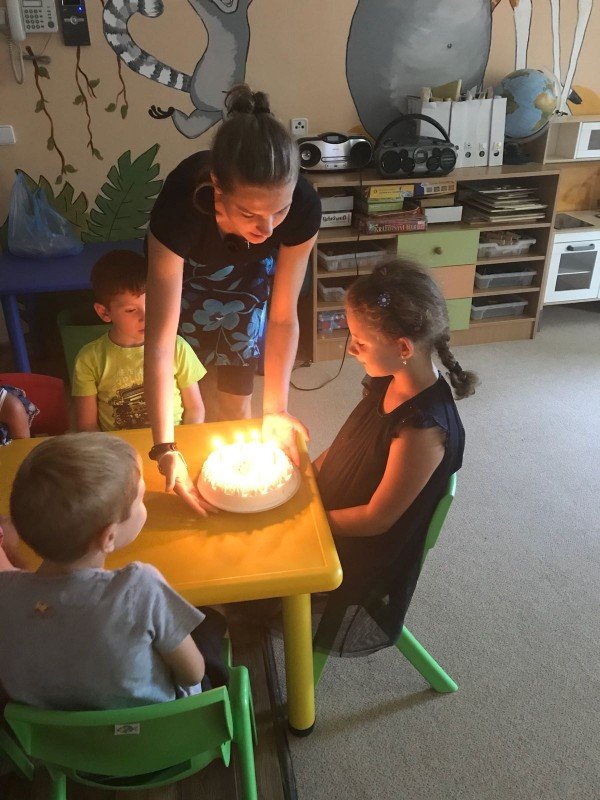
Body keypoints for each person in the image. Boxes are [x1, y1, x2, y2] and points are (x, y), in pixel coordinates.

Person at [145, 84, 320, 514]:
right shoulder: (180, 206)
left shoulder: (302, 208)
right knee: (188, 380)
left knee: (239, 374)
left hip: (247, 275)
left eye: (279, 211)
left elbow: (283, 318)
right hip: (188, 272)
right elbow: (160, 340)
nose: (268, 228)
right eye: (250, 213)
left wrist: (276, 409)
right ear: (217, 188)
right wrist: (164, 446)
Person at [312, 259, 478, 657]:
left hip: (360, 551)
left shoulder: (422, 429)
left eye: (360, 341)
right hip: (331, 511)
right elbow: (350, 442)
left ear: (403, 348)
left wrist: (308, 523)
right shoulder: (388, 378)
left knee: (252, 566)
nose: (351, 349)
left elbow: (376, 520)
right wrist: (304, 473)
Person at [0, 433, 228, 710]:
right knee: (210, 625)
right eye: (140, 499)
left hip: (51, 735)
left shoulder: (5, 592)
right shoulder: (140, 588)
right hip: (155, 728)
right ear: (108, 537)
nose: (144, 505)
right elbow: (193, 674)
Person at [72, 250, 206, 433]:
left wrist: (186, 439)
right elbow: (87, 426)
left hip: (173, 442)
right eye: (130, 310)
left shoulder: (177, 346)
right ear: (104, 312)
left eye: (151, 304)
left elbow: (195, 409)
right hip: (118, 447)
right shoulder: (89, 358)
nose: (146, 316)